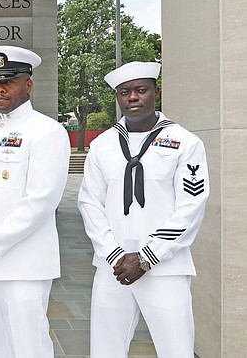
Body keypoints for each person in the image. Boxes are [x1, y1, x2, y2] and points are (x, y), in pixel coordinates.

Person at [78, 61, 209, 358]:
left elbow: (191, 207)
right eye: (125, 92)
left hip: (166, 269)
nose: (132, 97)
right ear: (117, 97)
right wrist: (113, 253)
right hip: (113, 268)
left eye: (140, 90)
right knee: (105, 351)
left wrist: (148, 257)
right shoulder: (102, 145)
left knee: (176, 350)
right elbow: (89, 203)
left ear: (155, 92)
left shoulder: (185, 143)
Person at [0, 45, 71, 358]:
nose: (0, 88)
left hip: (26, 264)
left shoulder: (47, 131)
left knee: (28, 347)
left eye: (9, 80)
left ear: (29, 85)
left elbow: (42, 200)